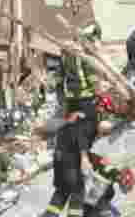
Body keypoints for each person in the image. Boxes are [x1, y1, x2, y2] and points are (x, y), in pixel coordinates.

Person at [42, 21, 103, 217]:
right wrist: (85, 159)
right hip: (83, 101)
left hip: (60, 158)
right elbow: (81, 135)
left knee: (60, 194)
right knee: (77, 193)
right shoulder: (87, 117)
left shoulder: (66, 52)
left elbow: (58, 80)